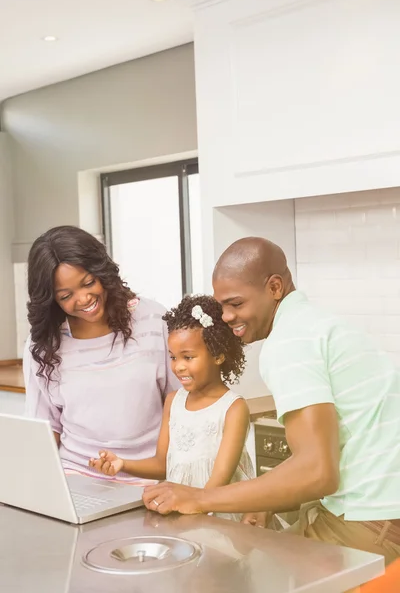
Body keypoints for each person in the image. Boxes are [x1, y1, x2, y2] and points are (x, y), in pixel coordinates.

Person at [143, 237, 400, 564]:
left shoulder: (288, 343)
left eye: (236, 304)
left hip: (368, 524)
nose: (225, 317)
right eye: (222, 306)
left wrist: (200, 497)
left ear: (275, 287)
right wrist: (266, 499)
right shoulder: (314, 324)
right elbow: (324, 458)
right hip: (383, 516)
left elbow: (317, 472)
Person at [24, 225, 179, 479]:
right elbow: (45, 429)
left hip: (150, 477)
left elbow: (181, 405)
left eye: (88, 283)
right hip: (75, 477)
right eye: (66, 296)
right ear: (52, 300)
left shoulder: (152, 320)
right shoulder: (43, 345)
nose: (84, 299)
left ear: (102, 273)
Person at [90, 294, 255, 520]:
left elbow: (218, 483)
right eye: (173, 357)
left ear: (218, 355)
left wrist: (189, 506)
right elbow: (162, 464)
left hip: (219, 517)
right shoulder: (173, 402)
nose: (178, 367)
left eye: (188, 357)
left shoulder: (233, 408)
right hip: (182, 513)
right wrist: (122, 463)